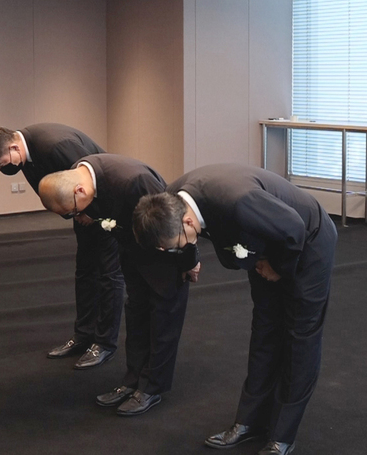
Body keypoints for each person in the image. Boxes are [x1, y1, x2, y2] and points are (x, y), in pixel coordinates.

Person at [133, 164, 337, 455]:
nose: (174, 251)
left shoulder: (239, 202)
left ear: (188, 221)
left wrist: (278, 268)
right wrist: (188, 261)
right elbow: (186, 239)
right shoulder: (169, 201)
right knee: (264, 328)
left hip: (306, 240)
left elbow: (293, 229)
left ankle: (282, 435)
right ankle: (249, 421)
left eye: (175, 246)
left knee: (299, 336)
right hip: (261, 239)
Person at [38, 154, 194, 417]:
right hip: (131, 251)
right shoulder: (79, 172)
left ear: (79, 191)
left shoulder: (135, 181)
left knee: (163, 321)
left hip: (163, 256)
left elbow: (177, 220)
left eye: (73, 212)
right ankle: (132, 381)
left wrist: (190, 259)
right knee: (136, 317)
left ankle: (152, 387)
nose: (77, 217)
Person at [0, 124, 121, 369]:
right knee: (85, 272)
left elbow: (95, 179)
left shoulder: (57, 146)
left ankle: (104, 343)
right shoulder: (25, 155)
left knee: (108, 275)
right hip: (81, 212)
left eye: (2, 164)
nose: (4, 169)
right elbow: (49, 192)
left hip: (105, 208)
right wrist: (76, 214)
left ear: (13, 147)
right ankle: (84, 336)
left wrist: (93, 214)